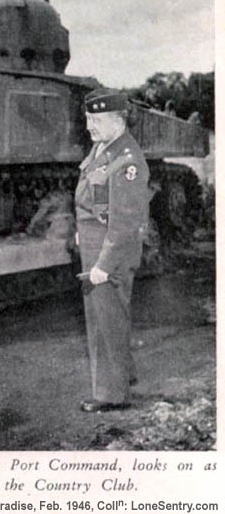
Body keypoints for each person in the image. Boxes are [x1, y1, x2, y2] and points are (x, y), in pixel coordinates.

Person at [74, 88, 150, 413]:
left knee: (105, 320)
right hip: (96, 241)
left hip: (111, 248)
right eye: (88, 117)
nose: (89, 125)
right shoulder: (104, 147)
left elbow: (125, 220)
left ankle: (110, 395)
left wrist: (103, 263)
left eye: (97, 118)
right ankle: (124, 375)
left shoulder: (128, 161)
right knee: (111, 315)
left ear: (118, 120)